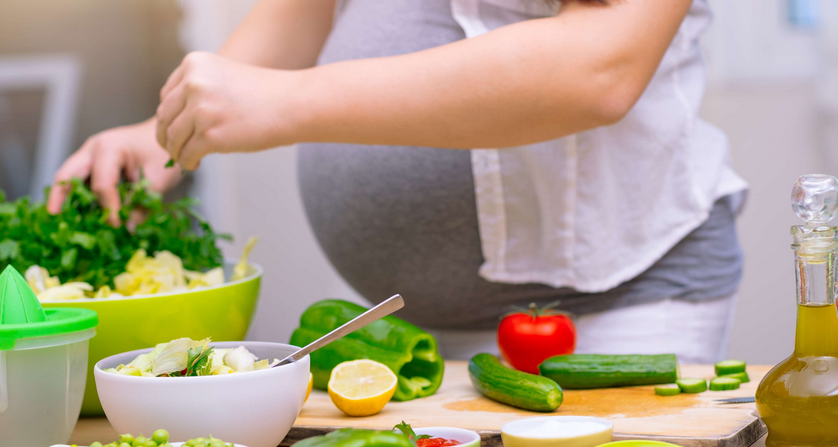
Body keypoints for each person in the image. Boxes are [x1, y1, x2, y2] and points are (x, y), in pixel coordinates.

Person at [47, 0, 746, 363]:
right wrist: (166, 132)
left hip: (602, 315)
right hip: (412, 331)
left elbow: (601, 66)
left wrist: (285, 103)